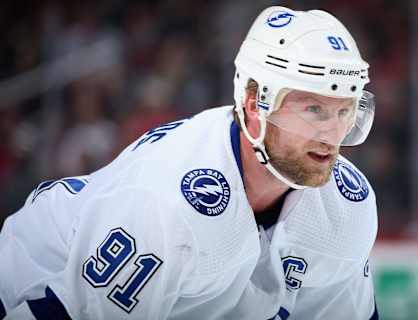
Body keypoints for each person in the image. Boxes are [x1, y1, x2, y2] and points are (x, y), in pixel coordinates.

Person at [0, 6, 378, 320]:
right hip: (29, 282)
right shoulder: (166, 204)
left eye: (344, 110)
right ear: (253, 106)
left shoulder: (347, 205)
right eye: (313, 109)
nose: (332, 133)